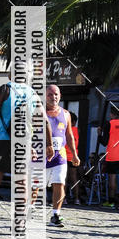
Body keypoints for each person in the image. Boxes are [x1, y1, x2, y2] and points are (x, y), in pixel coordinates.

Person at [0, 76, 53, 235]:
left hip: (3, 139)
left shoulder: (5, 89)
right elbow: (44, 121)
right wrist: (49, 145)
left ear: (11, 75)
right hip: (24, 142)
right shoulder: (33, 93)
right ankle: (19, 225)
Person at [45, 85, 79, 227]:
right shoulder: (38, 112)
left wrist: (74, 155)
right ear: (44, 96)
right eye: (50, 94)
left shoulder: (66, 114)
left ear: (60, 96)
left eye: (56, 94)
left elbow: (69, 135)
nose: (53, 97)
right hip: (41, 155)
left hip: (60, 155)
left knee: (59, 183)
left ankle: (55, 215)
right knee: (35, 187)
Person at [99, 107, 119, 211]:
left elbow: (104, 142)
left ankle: (111, 201)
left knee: (112, 180)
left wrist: (99, 134)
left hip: (113, 156)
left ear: (112, 114)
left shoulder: (109, 124)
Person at [65, 111, 82, 206]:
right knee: (74, 178)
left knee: (64, 179)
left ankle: (64, 199)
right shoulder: (77, 130)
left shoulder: (66, 129)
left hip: (65, 156)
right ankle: (77, 199)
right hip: (73, 156)